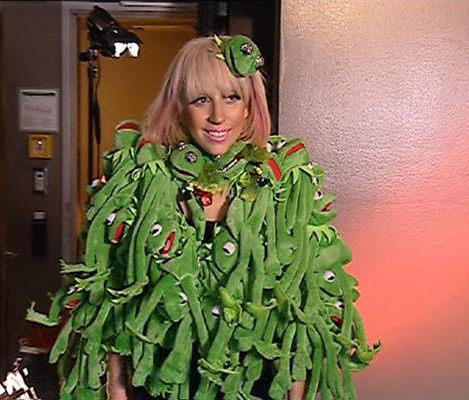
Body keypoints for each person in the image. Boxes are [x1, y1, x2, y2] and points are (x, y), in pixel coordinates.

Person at [26, 34, 379, 400]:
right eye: (201, 100)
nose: (217, 116)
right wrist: (116, 389)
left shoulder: (284, 187)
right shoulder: (143, 183)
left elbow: (303, 309)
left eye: (232, 98)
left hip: (253, 385)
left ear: (249, 106)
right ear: (179, 107)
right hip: (158, 385)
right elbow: (114, 297)